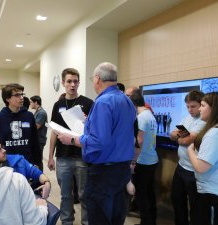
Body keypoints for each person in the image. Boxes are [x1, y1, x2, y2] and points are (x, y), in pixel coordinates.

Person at [57, 62, 135, 225]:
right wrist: (90, 124)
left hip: (103, 174)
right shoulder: (126, 101)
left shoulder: (103, 102)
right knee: (116, 217)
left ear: (98, 79)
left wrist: (71, 139)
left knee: (100, 218)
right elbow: (118, 133)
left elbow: (98, 142)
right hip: (122, 170)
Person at [48, 68, 94, 225]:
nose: (72, 84)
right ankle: (67, 221)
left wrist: (88, 122)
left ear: (79, 82)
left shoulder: (88, 103)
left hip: (83, 156)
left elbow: (95, 131)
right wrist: (50, 157)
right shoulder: (58, 105)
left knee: (84, 194)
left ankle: (86, 222)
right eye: (69, 81)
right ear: (63, 83)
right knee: (66, 195)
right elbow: (54, 132)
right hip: (63, 157)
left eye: (75, 81)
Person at [188, 92, 218, 225]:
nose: (198, 109)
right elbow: (176, 133)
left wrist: (190, 149)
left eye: (201, 105)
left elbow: (201, 167)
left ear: (214, 109)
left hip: (215, 193)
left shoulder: (216, 133)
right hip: (214, 191)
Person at [170, 90, 205, 225]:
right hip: (181, 166)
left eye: (193, 106)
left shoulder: (203, 120)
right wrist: (183, 137)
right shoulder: (186, 118)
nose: (190, 110)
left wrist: (181, 137)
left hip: (193, 171)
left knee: (195, 206)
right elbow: (171, 134)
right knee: (177, 199)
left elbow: (184, 140)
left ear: (201, 105)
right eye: (187, 106)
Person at [0, 83, 42, 166]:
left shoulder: (29, 116)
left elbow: (35, 141)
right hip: (5, 164)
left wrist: (38, 162)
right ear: (7, 99)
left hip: (27, 163)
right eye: (17, 95)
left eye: (22, 94)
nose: (21, 98)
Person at [130, 91, 158, 225]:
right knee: (149, 192)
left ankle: (145, 222)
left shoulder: (141, 118)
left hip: (142, 161)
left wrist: (133, 161)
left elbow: (139, 141)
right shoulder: (150, 115)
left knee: (141, 195)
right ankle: (151, 220)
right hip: (152, 159)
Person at [30, 95, 48, 171]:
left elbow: (36, 126)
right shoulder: (37, 112)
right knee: (35, 159)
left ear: (36, 102)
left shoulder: (41, 113)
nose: (30, 104)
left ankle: (40, 177)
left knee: (38, 160)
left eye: (31, 102)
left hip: (39, 140)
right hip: (36, 140)